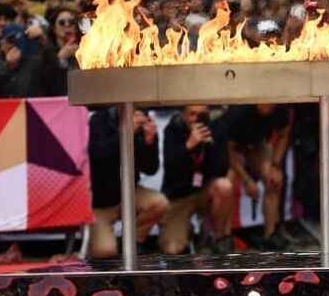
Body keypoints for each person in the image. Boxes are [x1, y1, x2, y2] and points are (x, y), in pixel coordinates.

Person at [87, 107, 168, 259]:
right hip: (101, 201)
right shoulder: (99, 120)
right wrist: (125, 132)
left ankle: (133, 242)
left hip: (129, 193)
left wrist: (149, 142)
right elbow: (98, 157)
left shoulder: (143, 118)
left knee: (159, 202)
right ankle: (102, 249)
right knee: (104, 251)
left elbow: (150, 169)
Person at [158, 105, 235, 254]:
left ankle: (219, 238)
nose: (196, 119)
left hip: (204, 192)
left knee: (224, 185)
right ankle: (188, 233)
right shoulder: (173, 128)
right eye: (192, 114)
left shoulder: (216, 126)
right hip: (179, 196)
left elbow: (222, 168)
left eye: (201, 115)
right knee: (172, 249)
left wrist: (208, 142)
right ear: (182, 114)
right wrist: (189, 146)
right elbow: (172, 170)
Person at [222, 104, 291, 250]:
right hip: (230, 146)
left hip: (257, 142)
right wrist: (247, 180)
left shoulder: (282, 108)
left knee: (275, 180)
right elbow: (227, 150)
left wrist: (276, 166)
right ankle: (224, 237)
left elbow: (283, 135)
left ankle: (270, 235)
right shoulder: (237, 113)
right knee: (228, 181)